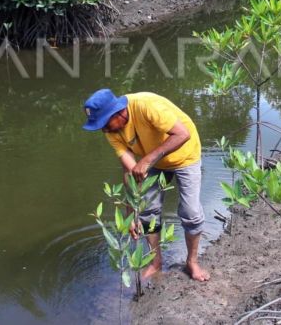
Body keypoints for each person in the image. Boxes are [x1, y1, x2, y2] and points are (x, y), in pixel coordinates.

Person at [82, 88, 210, 282]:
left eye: (104, 123)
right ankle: (156, 262)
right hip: (155, 161)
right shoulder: (112, 131)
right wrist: (130, 212)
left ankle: (192, 262)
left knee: (190, 212)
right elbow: (130, 171)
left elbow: (182, 134)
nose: (103, 130)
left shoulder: (146, 106)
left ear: (118, 113)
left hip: (186, 155)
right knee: (147, 212)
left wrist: (148, 160)